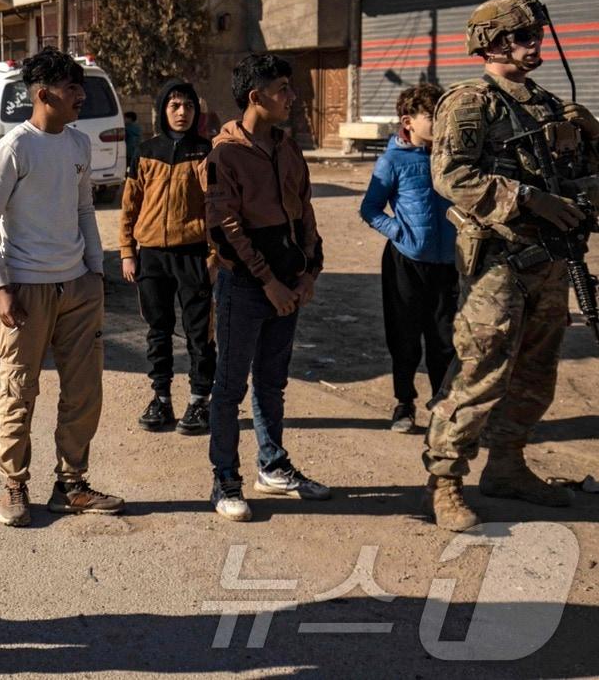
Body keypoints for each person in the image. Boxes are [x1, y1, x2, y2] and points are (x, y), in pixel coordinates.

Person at [422, 0, 596, 531]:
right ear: (491, 43)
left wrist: (589, 159)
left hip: (552, 261)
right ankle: (445, 481)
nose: (533, 44)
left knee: (536, 374)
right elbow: (451, 175)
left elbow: (578, 175)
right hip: (498, 263)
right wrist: (528, 199)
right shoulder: (471, 102)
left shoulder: (551, 106)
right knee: (480, 371)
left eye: (536, 35)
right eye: (521, 37)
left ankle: (507, 465)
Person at [0, 46, 122, 528]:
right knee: (19, 391)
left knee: (84, 391)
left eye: (80, 86)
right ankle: (14, 485)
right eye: (71, 87)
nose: (81, 95)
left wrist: (96, 273)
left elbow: (84, 210)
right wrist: (1, 288)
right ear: (43, 94)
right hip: (25, 291)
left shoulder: (78, 144)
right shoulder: (13, 149)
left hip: (78, 288)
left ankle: (71, 485)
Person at [204, 53, 329, 522]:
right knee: (229, 386)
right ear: (256, 97)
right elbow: (226, 231)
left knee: (272, 382)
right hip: (245, 287)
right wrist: (269, 282)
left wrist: (308, 270)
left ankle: (272, 466)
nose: (293, 97)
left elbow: (305, 211)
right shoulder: (225, 155)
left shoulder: (287, 147)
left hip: (289, 286)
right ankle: (225, 479)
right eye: (283, 89)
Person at [359, 83, 457, 434]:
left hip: (450, 264)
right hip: (405, 262)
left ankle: (442, 406)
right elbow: (370, 208)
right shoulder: (393, 160)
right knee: (404, 336)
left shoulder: (452, 157)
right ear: (408, 121)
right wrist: (399, 231)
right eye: (432, 116)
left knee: (445, 339)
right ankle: (404, 403)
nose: (440, 123)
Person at [120, 79, 215, 435]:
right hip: (152, 257)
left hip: (193, 255)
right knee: (157, 330)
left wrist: (215, 256)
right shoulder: (146, 152)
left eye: (188, 106)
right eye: (174, 105)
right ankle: (161, 398)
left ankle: (199, 400)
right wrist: (128, 253)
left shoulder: (206, 152)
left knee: (199, 332)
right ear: (162, 110)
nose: (181, 112)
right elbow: (130, 206)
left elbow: (216, 207)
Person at [123, 109, 141, 174]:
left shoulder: (127, 128)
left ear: (130, 119)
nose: (124, 120)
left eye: (125, 118)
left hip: (129, 152)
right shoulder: (137, 127)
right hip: (135, 151)